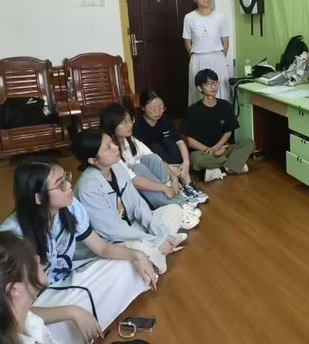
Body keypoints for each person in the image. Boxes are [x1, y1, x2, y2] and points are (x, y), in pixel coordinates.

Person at [0, 159, 159, 344]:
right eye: (61, 184)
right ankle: (84, 320)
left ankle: (86, 321)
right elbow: (12, 314)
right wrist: (71, 311)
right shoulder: (12, 239)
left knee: (127, 264)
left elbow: (102, 248)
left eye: (67, 178)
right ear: (39, 198)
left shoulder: (71, 207)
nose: (69, 186)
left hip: (67, 282)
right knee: (34, 332)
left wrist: (138, 255)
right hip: (38, 305)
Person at [71, 129, 197, 259]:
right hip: (110, 241)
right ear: (93, 160)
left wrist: (162, 235)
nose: (116, 147)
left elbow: (138, 205)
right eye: (108, 147)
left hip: (132, 227)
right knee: (138, 251)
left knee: (174, 210)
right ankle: (160, 249)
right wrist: (155, 240)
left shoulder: (117, 167)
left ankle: (164, 245)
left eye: (112, 142)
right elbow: (113, 230)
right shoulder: (88, 188)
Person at [99, 102, 205, 217]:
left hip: (144, 185)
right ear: (112, 125)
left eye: (130, 120)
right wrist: (164, 188)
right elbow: (134, 181)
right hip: (127, 191)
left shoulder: (130, 140)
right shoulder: (110, 151)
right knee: (138, 168)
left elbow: (156, 158)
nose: (129, 125)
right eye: (124, 122)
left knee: (150, 159)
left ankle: (180, 201)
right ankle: (174, 209)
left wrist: (173, 179)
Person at [179, 69, 255, 182]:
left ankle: (219, 170)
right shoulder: (192, 111)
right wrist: (210, 150)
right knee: (197, 160)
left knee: (249, 143)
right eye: (208, 84)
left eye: (215, 83)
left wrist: (217, 148)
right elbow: (190, 142)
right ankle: (234, 165)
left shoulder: (225, 105)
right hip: (203, 152)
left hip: (223, 148)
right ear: (200, 88)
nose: (213, 86)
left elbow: (228, 132)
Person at [133, 89, 208, 199]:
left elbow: (180, 142)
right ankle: (185, 191)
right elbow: (144, 156)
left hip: (177, 163)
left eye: (161, 107)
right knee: (154, 147)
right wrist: (169, 169)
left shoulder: (166, 120)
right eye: (153, 108)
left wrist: (186, 162)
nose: (158, 111)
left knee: (169, 143)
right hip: (159, 165)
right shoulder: (138, 126)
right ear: (143, 108)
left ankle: (189, 187)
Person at [183, 0, 231, 104]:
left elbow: (225, 43)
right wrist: (196, 57)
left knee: (219, 94)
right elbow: (187, 43)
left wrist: (219, 58)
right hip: (197, 59)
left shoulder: (220, 17)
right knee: (199, 95)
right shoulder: (189, 18)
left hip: (217, 59)